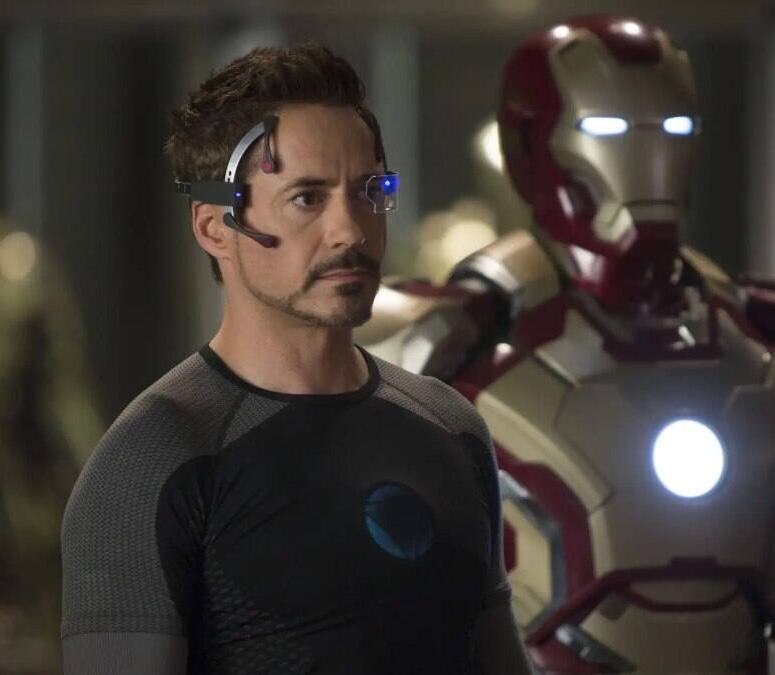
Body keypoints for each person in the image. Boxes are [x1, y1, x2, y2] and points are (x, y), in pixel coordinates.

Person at [356, 16, 775, 674]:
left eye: (673, 128)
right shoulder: (445, 342)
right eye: (609, 128)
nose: (648, 156)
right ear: (533, 142)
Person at [60, 43, 533, 675]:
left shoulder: (451, 427)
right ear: (214, 226)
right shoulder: (153, 460)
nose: (352, 230)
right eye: (308, 198)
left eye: (369, 191)